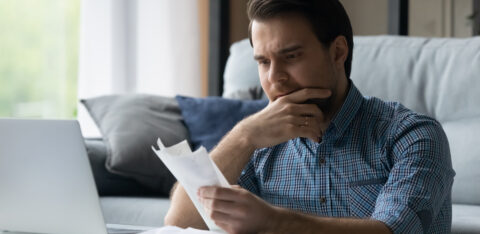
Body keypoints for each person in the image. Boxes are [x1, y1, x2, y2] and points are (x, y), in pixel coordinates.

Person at [165, 0, 455, 233]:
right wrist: (244, 137)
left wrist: (274, 222)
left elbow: (394, 230)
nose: (274, 79)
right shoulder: (257, 140)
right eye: (264, 62)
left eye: (291, 57)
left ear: (338, 52)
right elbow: (179, 222)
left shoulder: (413, 135)